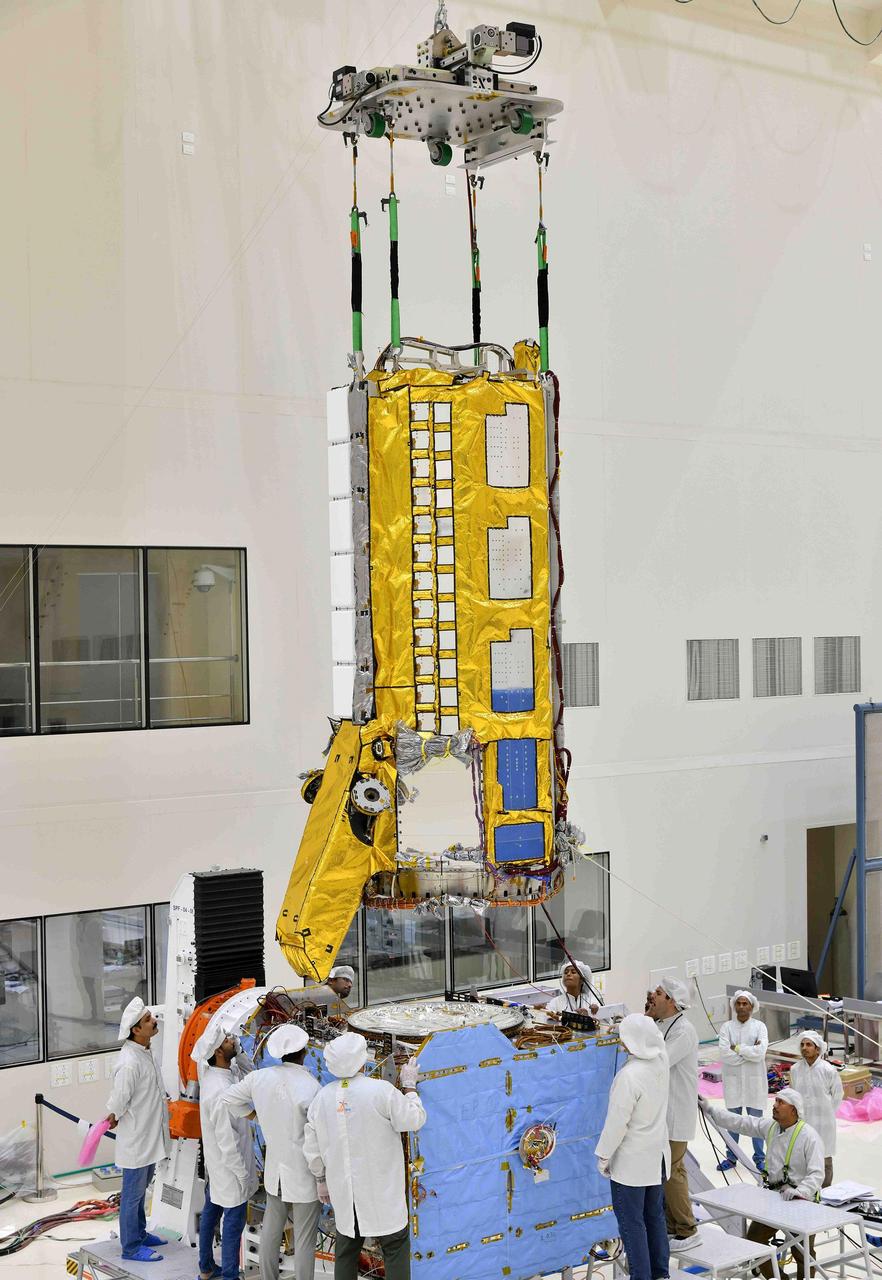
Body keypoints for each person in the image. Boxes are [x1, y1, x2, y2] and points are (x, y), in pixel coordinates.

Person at [303, 1032, 426, 1280]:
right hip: (383, 1197)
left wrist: (321, 1179)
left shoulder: (322, 1098)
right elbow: (414, 1120)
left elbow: (312, 1146)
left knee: (346, 1252)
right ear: (362, 1061)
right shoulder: (381, 1091)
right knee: (395, 1247)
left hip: (345, 1197)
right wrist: (410, 1087)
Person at [221, 1024, 321, 1280]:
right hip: (304, 1173)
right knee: (305, 1239)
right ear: (304, 1051)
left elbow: (229, 1099)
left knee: (271, 1232)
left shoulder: (260, 1078)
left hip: (276, 1171)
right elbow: (317, 1136)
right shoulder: (311, 1088)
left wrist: (254, 1115)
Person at [700, 1087, 824, 1279]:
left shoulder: (809, 1136)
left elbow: (817, 1173)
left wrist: (800, 1191)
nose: (774, 1106)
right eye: (775, 1101)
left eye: (780, 1103)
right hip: (775, 1199)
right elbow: (740, 1123)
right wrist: (711, 1110)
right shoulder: (771, 1127)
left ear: (794, 1110)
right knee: (754, 1242)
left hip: (802, 1203)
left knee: (802, 1252)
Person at [595, 1014, 670, 1280]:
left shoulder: (628, 1077)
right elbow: (651, 1038)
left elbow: (617, 1124)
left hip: (630, 1166)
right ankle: (661, 1274)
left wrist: (603, 1156)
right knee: (654, 1219)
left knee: (632, 1225)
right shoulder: (661, 1061)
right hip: (657, 1158)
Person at [104, 997, 170, 1263]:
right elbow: (119, 1100)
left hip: (149, 1136)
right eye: (148, 1020)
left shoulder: (145, 1051)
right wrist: (112, 1115)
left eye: (151, 1017)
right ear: (136, 1029)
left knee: (142, 1192)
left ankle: (140, 1234)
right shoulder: (129, 1062)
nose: (154, 1021)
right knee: (132, 1197)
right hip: (136, 1141)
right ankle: (130, 1247)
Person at [193, 1022, 258, 1280]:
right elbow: (227, 1141)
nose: (233, 1039)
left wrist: (239, 1050)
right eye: (228, 1039)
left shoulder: (214, 1073)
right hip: (230, 1167)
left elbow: (251, 1074)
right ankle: (230, 1275)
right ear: (218, 1051)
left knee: (211, 1210)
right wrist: (242, 1174)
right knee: (232, 1223)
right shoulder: (220, 1090)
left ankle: (206, 1268)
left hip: (217, 1166)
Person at [645, 976, 700, 1251]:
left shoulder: (684, 1031)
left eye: (658, 992)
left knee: (673, 1171)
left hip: (677, 1112)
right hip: (661, 1113)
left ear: (671, 1000)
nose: (652, 995)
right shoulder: (662, 1024)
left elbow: (661, 1060)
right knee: (663, 1171)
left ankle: (688, 1230)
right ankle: (670, 1226)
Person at [716, 989, 768, 1171]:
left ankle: (760, 1158)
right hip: (734, 1082)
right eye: (738, 1003)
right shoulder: (726, 1028)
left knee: (756, 1123)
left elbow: (760, 1053)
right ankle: (731, 1158)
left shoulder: (760, 1027)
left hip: (754, 1082)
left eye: (745, 1003)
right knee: (733, 1122)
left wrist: (736, 1048)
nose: (741, 1006)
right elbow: (724, 1053)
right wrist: (748, 1052)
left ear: (752, 1006)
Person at [789, 1031, 843, 1187]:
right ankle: (805, 1189)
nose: (804, 1048)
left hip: (824, 1123)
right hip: (802, 1122)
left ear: (818, 1049)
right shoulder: (795, 1069)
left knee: (824, 1158)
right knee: (802, 1156)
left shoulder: (828, 1070)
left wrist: (827, 1114)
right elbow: (792, 1096)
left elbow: (838, 1094)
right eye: (802, 1045)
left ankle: (826, 1193)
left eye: (809, 1045)